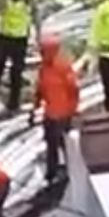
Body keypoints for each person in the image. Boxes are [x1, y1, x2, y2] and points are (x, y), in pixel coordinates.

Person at [32, 32, 80, 185]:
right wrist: (36, 106)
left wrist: (73, 109)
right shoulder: (43, 69)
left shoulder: (63, 68)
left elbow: (73, 89)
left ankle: (71, 171)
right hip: (50, 113)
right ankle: (52, 171)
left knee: (64, 144)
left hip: (62, 113)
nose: (42, 55)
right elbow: (40, 88)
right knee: (50, 143)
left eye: (44, 51)